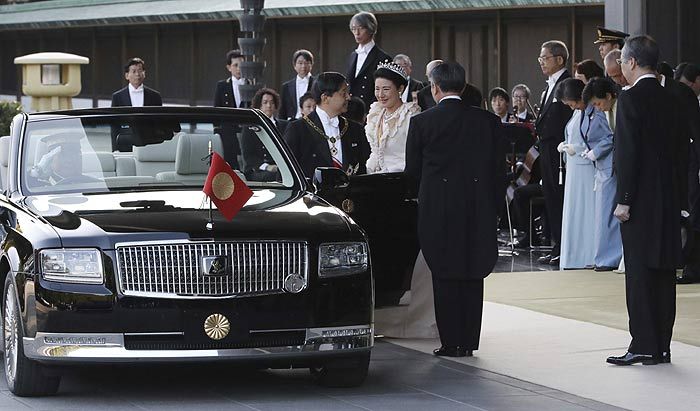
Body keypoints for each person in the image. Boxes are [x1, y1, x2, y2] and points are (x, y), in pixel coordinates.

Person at [405, 62, 503, 358]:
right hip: (478, 206)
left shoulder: (423, 122)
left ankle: (451, 342)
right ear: (462, 85)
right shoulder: (488, 121)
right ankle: (470, 340)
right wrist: (495, 208)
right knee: (473, 271)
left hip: (439, 207)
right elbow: (498, 171)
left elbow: (413, 173)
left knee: (444, 273)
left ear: (434, 88)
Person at [607, 35, 683, 366]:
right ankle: (662, 346)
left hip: (639, 200)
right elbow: (684, 151)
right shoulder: (674, 97)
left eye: (622, 61)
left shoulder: (630, 98)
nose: (622, 66)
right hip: (668, 198)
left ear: (633, 62)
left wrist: (624, 199)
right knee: (664, 272)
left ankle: (642, 343)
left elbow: (628, 154)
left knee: (638, 273)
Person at [283, 72, 370, 178]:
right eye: (343, 93)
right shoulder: (297, 129)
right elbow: (285, 174)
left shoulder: (355, 129)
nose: (348, 97)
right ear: (325, 98)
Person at [535, 40, 573, 267]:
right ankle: (556, 245)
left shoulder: (567, 82)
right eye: (540, 59)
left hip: (560, 151)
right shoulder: (550, 84)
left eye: (545, 58)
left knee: (559, 199)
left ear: (559, 59)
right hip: (547, 150)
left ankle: (563, 247)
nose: (541, 62)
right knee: (550, 198)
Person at [579, 79, 621, 271]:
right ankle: (603, 256)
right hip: (603, 166)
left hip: (611, 163)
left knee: (608, 215)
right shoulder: (604, 110)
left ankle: (609, 258)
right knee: (602, 215)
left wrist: (595, 151)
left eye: (597, 103)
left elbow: (612, 137)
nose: (597, 107)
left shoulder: (614, 109)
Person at [555, 78, 596, 269]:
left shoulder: (593, 112)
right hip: (573, 169)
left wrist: (577, 148)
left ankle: (587, 254)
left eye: (570, 103)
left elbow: (596, 140)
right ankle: (574, 255)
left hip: (586, 168)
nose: (570, 107)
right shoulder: (577, 113)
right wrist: (565, 145)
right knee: (574, 210)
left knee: (586, 210)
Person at [365, 61, 420, 174]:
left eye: (386, 89)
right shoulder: (376, 113)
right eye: (377, 89)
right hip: (376, 179)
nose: (380, 95)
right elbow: (375, 152)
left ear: (400, 89)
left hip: (402, 179)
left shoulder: (410, 115)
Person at [346, 11, 391, 113]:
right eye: (353, 29)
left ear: (371, 29)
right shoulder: (353, 55)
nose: (356, 33)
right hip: (351, 109)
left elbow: (386, 88)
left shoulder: (383, 58)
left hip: (371, 110)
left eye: (361, 28)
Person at [241, 88, 287, 182]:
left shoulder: (285, 126)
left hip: (281, 169)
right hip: (257, 169)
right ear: (259, 105)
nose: (269, 106)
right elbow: (248, 156)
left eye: (272, 102)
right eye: (265, 102)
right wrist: (267, 167)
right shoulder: (249, 128)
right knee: (271, 176)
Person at [279, 49, 315, 120]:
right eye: (300, 63)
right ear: (294, 65)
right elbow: (282, 111)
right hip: (292, 122)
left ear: (311, 65)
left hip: (312, 122)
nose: (303, 66)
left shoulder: (317, 83)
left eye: (307, 63)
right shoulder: (286, 86)